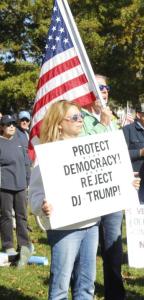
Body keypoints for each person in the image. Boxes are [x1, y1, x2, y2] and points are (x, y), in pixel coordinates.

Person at [29, 100, 99, 299]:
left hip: (92, 224)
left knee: (86, 287)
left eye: (81, 116)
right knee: (60, 288)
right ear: (60, 123)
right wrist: (42, 206)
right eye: (75, 117)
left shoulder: (90, 149)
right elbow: (34, 194)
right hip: (65, 228)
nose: (80, 120)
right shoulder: (48, 153)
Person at [81, 75, 125, 300]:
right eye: (98, 88)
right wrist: (104, 124)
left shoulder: (113, 119)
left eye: (106, 87)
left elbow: (118, 153)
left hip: (113, 195)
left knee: (113, 251)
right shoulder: (80, 119)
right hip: (90, 196)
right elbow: (89, 152)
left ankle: (115, 295)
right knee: (87, 253)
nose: (104, 91)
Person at [0, 114, 31, 266]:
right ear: (2, 127)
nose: (11, 126)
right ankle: (8, 246)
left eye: (13, 123)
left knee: (22, 216)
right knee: (6, 216)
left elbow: (26, 161)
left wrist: (28, 180)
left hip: (21, 186)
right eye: (7, 124)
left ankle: (24, 245)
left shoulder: (20, 140)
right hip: (4, 186)